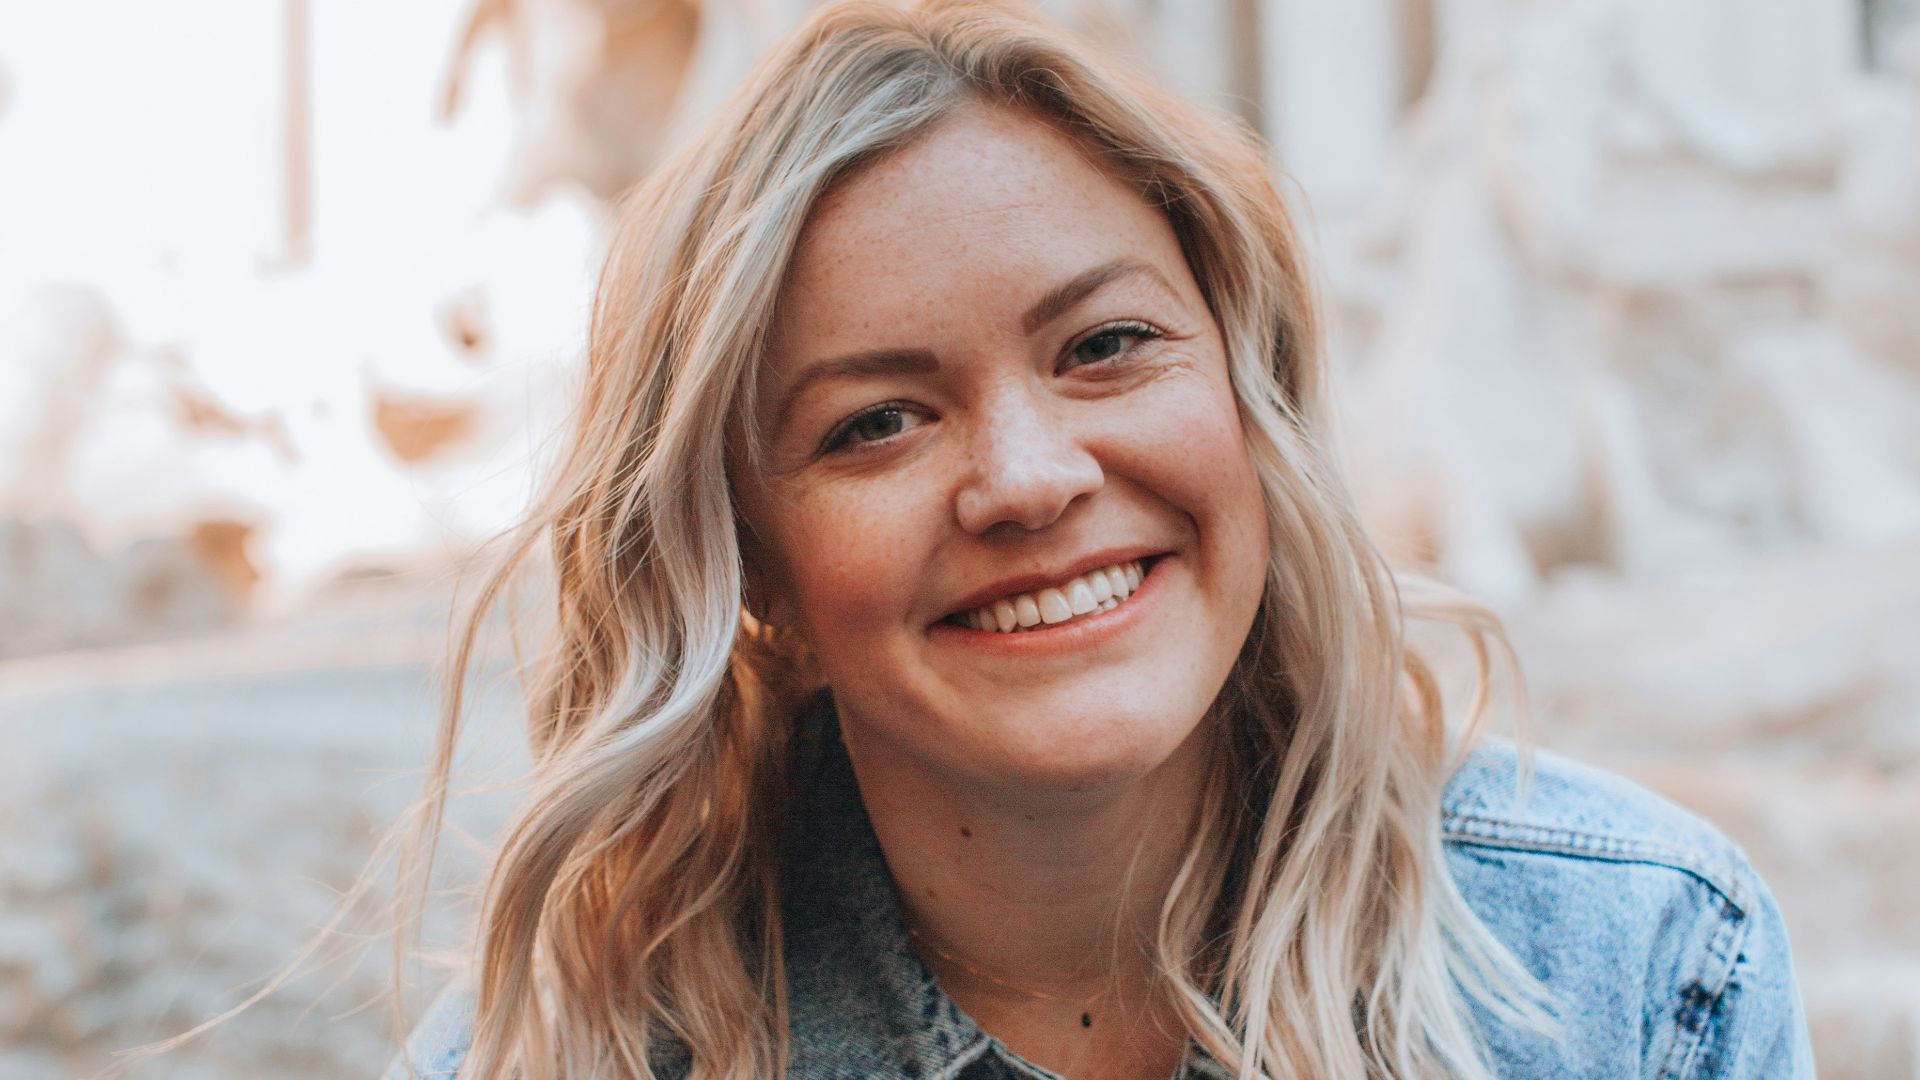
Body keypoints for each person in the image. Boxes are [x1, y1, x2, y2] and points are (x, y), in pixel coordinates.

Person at [386, 1, 1814, 1077]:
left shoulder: (1639, 964)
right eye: (877, 422)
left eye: (1108, 345)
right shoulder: (559, 1049)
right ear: (749, 562)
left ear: (1252, 401)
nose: (1027, 479)